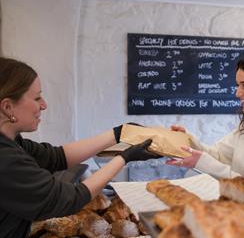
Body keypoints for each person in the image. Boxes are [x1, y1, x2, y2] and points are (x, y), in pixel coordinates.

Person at [0, 57, 158, 237]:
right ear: (7, 107)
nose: (44, 105)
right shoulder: (5, 159)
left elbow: (56, 156)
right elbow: (69, 198)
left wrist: (118, 134)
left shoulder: (12, 141)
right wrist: (124, 157)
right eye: (37, 98)